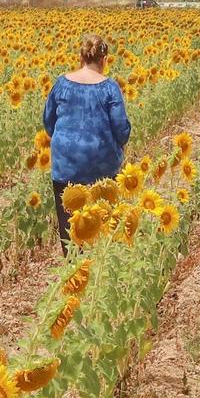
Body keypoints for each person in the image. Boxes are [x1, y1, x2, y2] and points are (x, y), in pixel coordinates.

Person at [41, 32, 131, 245]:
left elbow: (48, 121)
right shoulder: (109, 88)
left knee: (71, 227)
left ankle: (74, 268)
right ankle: (97, 267)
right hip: (102, 170)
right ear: (104, 60)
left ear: (81, 58)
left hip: (66, 167)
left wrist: (67, 141)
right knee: (101, 225)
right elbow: (121, 130)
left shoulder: (61, 84)